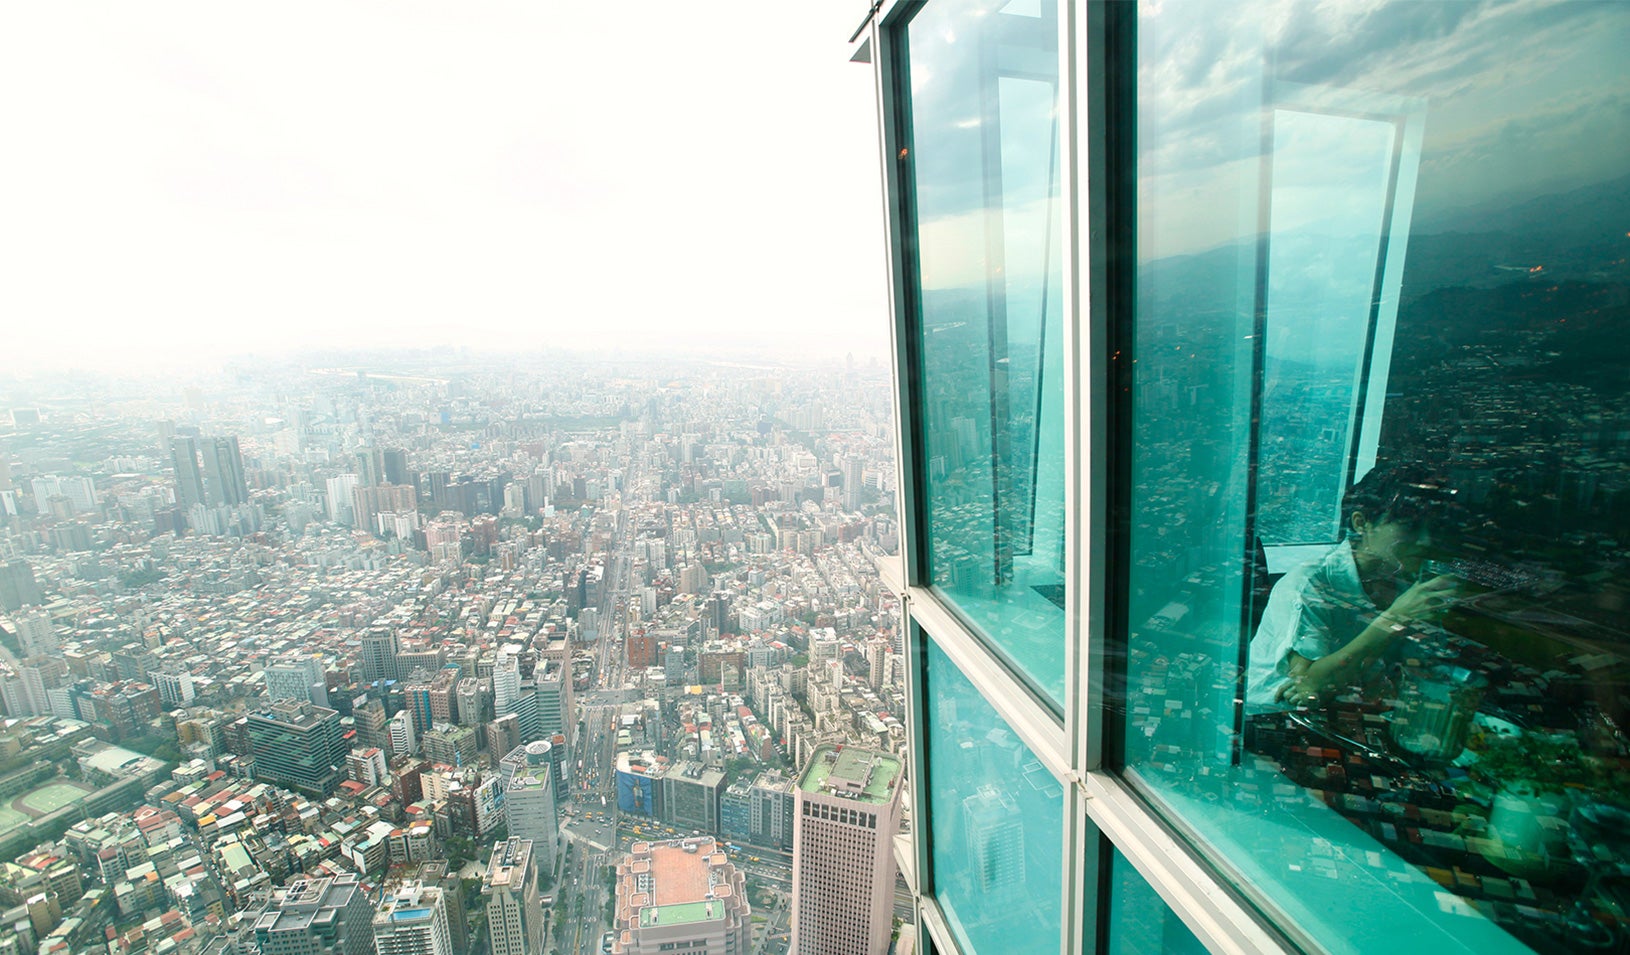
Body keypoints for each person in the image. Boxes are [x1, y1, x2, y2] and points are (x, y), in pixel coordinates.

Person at [1245, 467, 1464, 709]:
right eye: (1410, 527)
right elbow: (1308, 685)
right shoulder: (1310, 585)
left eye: (1432, 529)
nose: (1425, 541)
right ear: (1361, 523)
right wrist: (1394, 618)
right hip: (1274, 715)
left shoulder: (1404, 581)